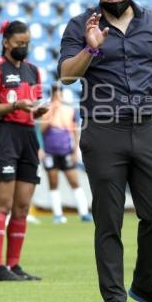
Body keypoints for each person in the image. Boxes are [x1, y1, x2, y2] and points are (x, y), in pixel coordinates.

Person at [58, 0, 152, 302]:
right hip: (103, 133)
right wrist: (91, 47)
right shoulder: (81, 25)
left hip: (147, 129)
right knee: (109, 220)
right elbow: (67, 75)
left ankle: (145, 285)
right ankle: (115, 298)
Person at [0, 20, 49, 281]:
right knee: (4, 204)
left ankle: (14, 265)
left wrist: (36, 110)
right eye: (19, 43)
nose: (24, 47)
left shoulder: (33, 71)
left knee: (22, 206)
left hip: (28, 137)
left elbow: (33, 106)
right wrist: (15, 106)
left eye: (27, 43)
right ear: (6, 43)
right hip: (4, 136)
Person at [39, 83, 92, 223]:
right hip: (50, 151)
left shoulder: (69, 111)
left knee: (74, 181)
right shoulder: (46, 110)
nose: (58, 97)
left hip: (66, 150)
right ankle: (57, 214)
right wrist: (52, 112)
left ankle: (84, 212)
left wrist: (75, 151)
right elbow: (41, 130)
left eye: (59, 94)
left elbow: (74, 132)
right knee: (53, 182)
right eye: (55, 94)